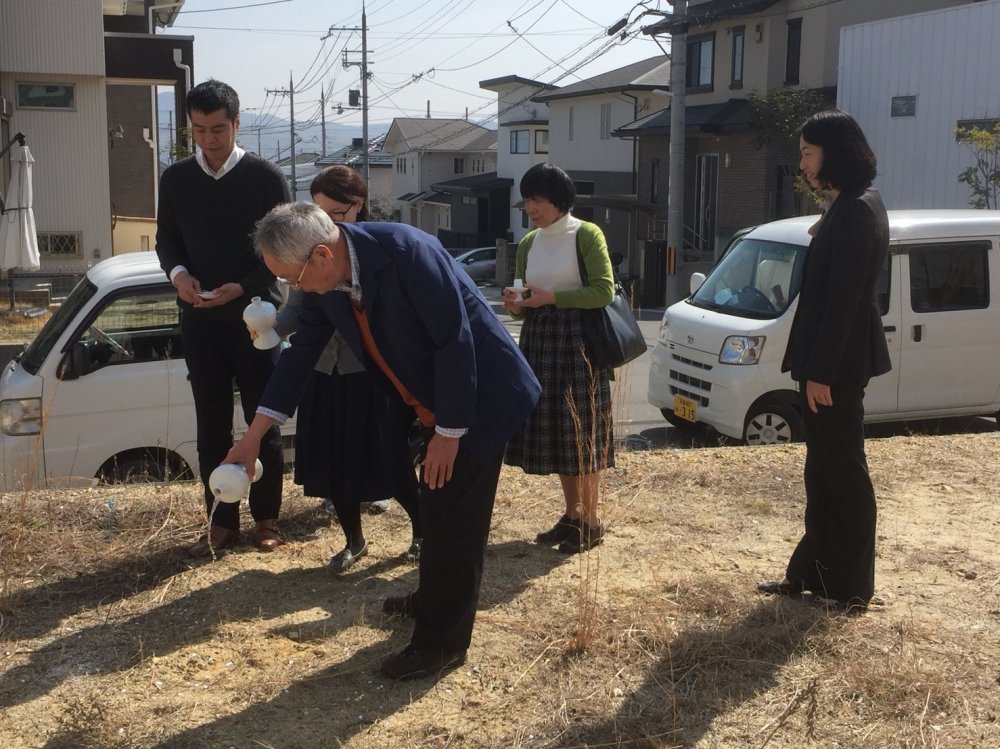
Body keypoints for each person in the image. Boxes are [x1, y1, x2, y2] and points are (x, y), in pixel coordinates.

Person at [224, 202, 541, 680]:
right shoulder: (327, 283)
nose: (294, 289)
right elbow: (299, 356)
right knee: (436, 509)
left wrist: (449, 433)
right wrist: (251, 439)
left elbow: (455, 342)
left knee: (456, 519)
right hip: (429, 400)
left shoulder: (409, 253)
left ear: (322, 256)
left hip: (480, 396)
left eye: (293, 278)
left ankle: (440, 645)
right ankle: (431, 600)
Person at [757, 109, 891, 614]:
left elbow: (844, 301)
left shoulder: (856, 209)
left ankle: (852, 587)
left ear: (833, 152)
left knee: (843, 472)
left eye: (808, 153)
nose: (804, 164)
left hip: (835, 365)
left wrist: (821, 373)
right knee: (822, 470)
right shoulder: (853, 205)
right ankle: (812, 574)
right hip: (829, 359)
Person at [155, 79, 290, 557]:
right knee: (210, 422)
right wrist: (179, 276)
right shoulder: (175, 180)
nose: (209, 139)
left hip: (257, 318)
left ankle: (267, 518)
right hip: (199, 317)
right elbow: (166, 241)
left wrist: (245, 285)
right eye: (198, 130)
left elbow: (282, 249)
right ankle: (220, 519)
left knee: (264, 419)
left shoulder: (265, 177)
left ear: (237, 123)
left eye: (217, 128)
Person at [276, 166, 421, 572]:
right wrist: (263, 326)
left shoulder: (379, 251)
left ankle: (423, 531)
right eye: (318, 213)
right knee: (335, 463)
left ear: (358, 207)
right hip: (325, 372)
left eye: (335, 214)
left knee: (390, 458)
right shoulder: (307, 252)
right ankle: (354, 541)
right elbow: (296, 313)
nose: (326, 224)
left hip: (371, 374)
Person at [502, 163, 616, 554]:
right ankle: (573, 515)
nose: (531, 208)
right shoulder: (528, 243)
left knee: (582, 433)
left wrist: (552, 297)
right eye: (527, 200)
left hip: (580, 343)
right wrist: (516, 305)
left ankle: (591, 520)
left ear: (559, 199)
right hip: (540, 341)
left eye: (538, 199)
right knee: (561, 438)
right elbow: (523, 306)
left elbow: (603, 291)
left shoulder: (586, 233)